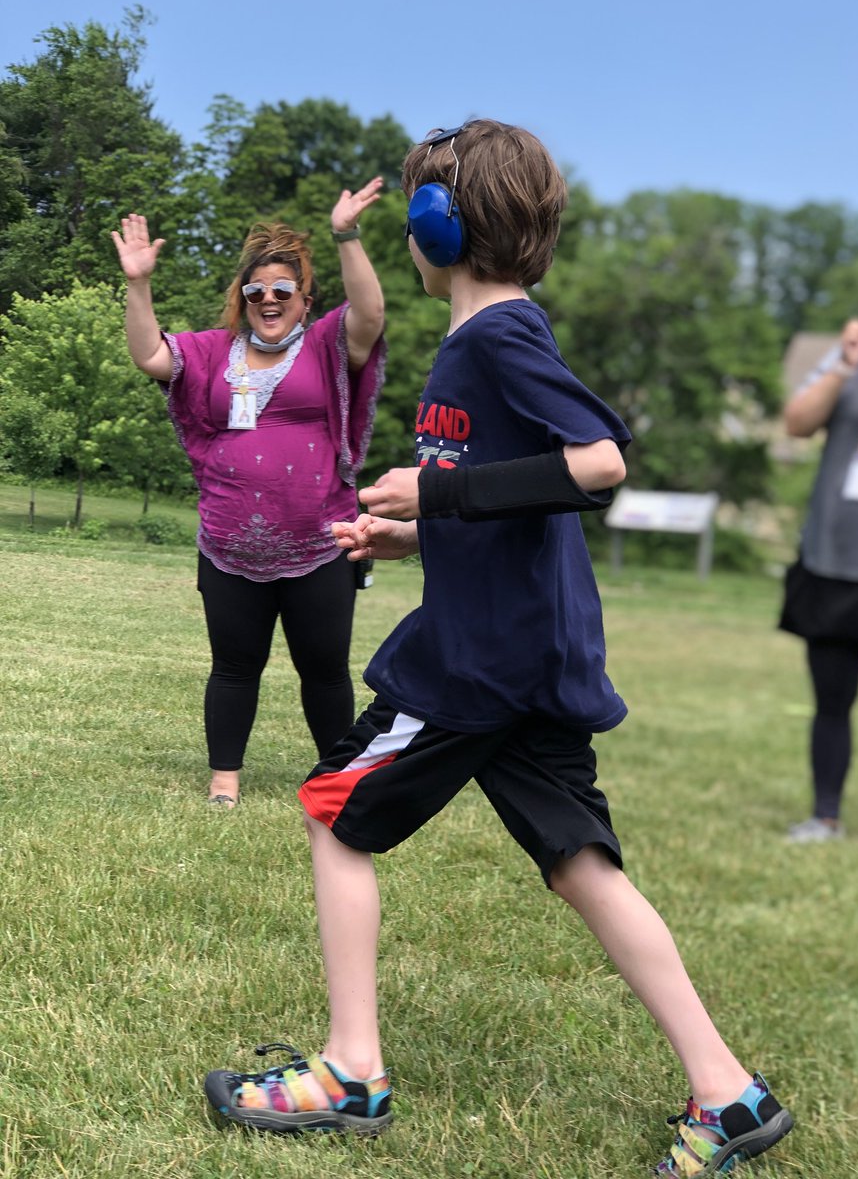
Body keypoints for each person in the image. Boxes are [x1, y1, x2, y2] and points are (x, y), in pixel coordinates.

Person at [203, 121, 794, 1175]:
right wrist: (418, 532)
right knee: (580, 862)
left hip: (476, 663)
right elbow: (518, 498)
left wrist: (437, 493)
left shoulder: (496, 338)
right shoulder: (492, 340)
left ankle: (350, 1073)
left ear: (439, 227)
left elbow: (599, 463)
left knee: (334, 813)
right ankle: (729, 1093)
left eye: (417, 212)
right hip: (531, 657)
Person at [112, 183, 386, 808]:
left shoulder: (328, 344)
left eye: (283, 290)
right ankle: (224, 783)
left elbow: (370, 316)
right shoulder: (212, 350)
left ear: (305, 300)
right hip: (229, 544)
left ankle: (335, 783)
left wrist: (346, 235)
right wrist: (138, 283)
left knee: (324, 671)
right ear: (241, 298)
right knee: (234, 666)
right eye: (255, 290)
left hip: (320, 542)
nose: (268, 299)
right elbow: (150, 355)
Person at [780, 257, 858, 864]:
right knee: (831, 701)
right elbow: (797, 423)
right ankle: (824, 815)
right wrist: (844, 365)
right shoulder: (846, 361)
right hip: (831, 559)